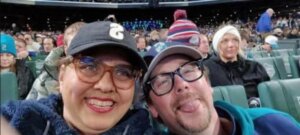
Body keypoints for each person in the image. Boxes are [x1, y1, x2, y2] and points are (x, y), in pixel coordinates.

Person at [1, 21, 155, 134]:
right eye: (89, 66)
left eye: (124, 72)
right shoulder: (22, 119)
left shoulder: (145, 129)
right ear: (61, 76)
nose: (105, 85)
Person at [142, 45, 300, 135]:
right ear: (153, 107)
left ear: (208, 83)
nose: (182, 84)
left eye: (188, 71)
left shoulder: (274, 124)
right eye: (162, 81)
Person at [203, 25, 270, 99]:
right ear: (217, 45)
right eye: (225, 41)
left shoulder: (255, 67)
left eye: (235, 40)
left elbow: (269, 96)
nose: (231, 45)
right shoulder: (206, 68)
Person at [26, 22, 85, 100]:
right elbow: (28, 106)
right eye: (74, 44)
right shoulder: (45, 77)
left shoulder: (102, 76)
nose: (79, 49)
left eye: (83, 44)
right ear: (65, 47)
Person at [1, 34, 35, 99]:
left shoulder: (24, 71)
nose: (4, 58)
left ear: (13, 57)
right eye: (1, 55)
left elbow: (25, 92)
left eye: (8, 55)